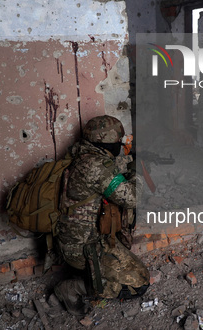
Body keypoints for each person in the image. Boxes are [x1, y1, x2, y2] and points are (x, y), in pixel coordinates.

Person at [53, 115, 150, 316]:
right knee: (139, 282)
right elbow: (131, 197)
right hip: (83, 247)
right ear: (104, 142)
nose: (120, 146)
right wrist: (137, 170)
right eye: (118, 142)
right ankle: (73, 287)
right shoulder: (96, 166)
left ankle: (90, 272)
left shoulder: (81, 154)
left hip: (74, 238)